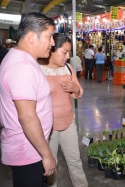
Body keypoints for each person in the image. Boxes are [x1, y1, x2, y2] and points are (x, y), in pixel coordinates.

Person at [0, 12, 56, 187]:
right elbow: (27, 117)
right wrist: (46, 154)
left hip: (30, 148)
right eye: (49, 37)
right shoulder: (22, 67)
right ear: (32, 37)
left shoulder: (22, 58)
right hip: (28, 151)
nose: (53, 43)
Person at [39, 33, 88, 187]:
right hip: (48, 127)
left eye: (69, 53)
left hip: (68, 123)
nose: (67, 57)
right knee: (51, 164)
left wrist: (75, 88)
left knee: (75, 160)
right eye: (64, 52)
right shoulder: (38, 70)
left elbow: (78, 92)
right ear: (52, 50)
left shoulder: (67, 68)